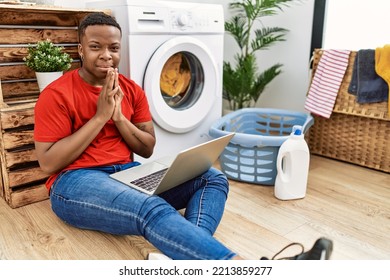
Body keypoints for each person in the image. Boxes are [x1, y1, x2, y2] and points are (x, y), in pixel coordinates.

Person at [33, 12, 333, 260]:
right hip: (74, 183)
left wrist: (119, 118)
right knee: (150, 208)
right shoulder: (56, 94)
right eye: (96, 46)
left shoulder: (131, 90)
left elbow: (148, 148)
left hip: (129, 174)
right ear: (80, 48)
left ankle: (180, 260)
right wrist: (100, 117)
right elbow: (48, 163)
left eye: (114, 47)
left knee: (212, 178)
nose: (107, 55)